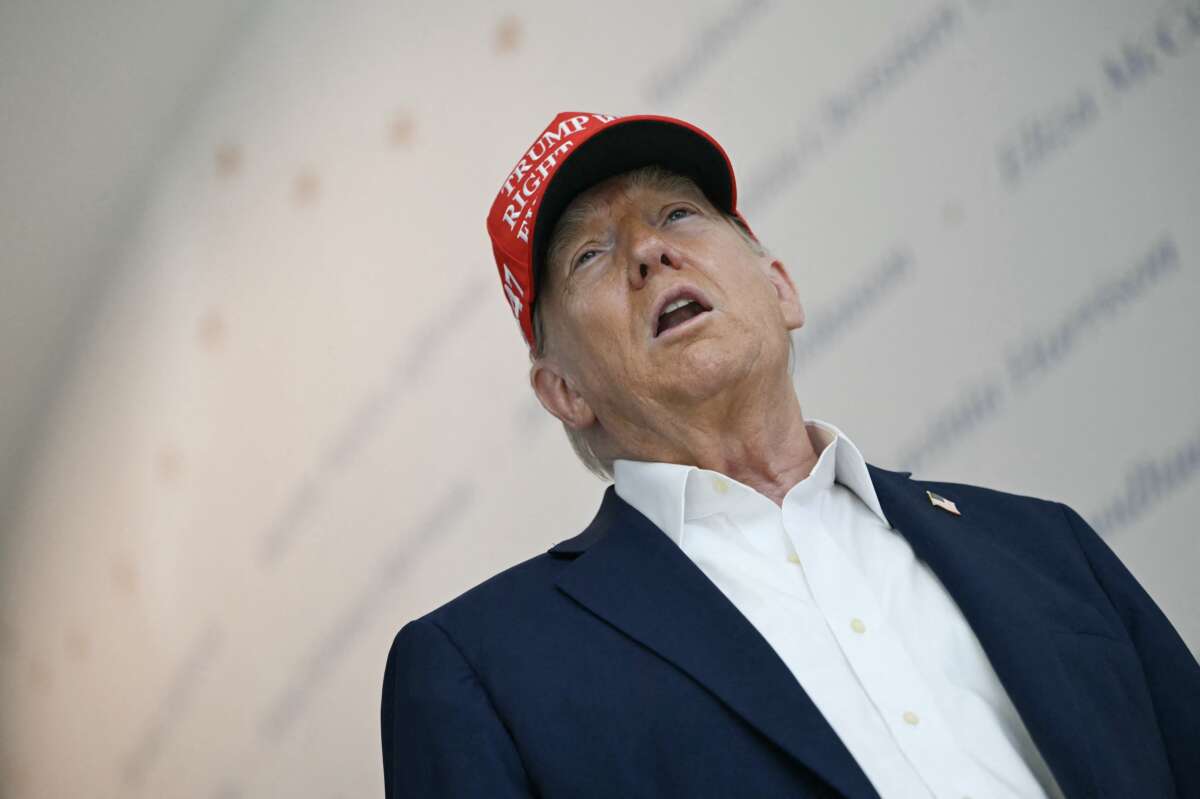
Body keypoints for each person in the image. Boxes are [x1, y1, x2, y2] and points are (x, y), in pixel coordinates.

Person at [380, 112, 1199, 798]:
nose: (648, 253)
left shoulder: (1045, 544)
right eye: (589, 254)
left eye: (677, 215)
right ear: (563, 390)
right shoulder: (482, 668)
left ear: (779, 287)